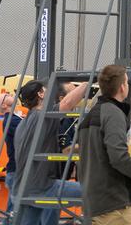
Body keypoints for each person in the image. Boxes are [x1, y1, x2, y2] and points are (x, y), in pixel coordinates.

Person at [12, 77, 90, 225]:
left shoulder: (23, 124)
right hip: (43, 187)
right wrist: (89, 81)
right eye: (46, 90)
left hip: (22, 188)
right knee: (93, 191)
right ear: (41, 94)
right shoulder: (44, 116)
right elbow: (67, 103)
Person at [79, 63, 131, 225]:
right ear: (122, 87)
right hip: (114, 205)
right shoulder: (113, 114)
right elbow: (118, 156)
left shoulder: (91, 116)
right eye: (127, 82)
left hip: (94, 200)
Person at [0, 90, 22, 209]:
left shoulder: (15, 118)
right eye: (7, 96)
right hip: (16, 170)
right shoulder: (11, 120)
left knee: (13, 210)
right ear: (4, 105)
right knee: (14, 211)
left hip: (15, 170)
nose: (11, 95)